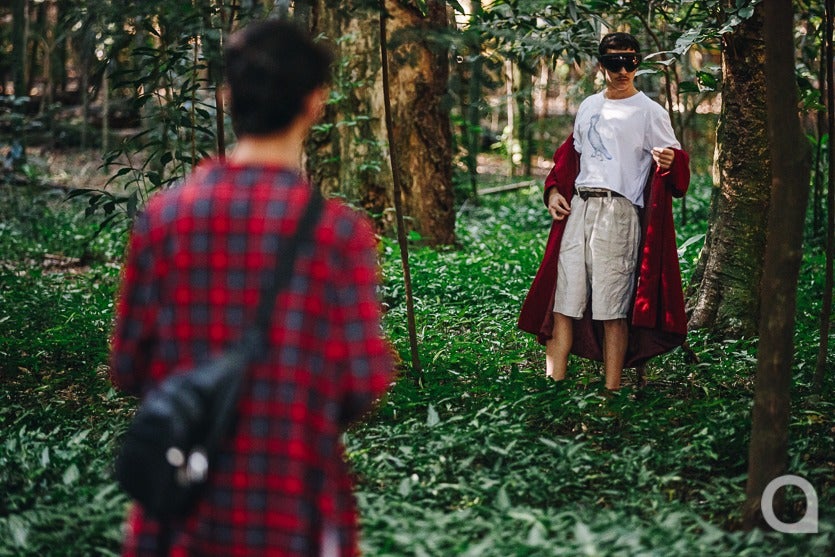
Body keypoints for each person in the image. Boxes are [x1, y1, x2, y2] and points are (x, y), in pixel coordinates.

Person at [109, 20, 394, 556]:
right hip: (289, 501)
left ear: (227, 98)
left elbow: (128, 365)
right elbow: (361, 380)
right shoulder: (337, 235)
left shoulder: (164, 218)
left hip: (179, 505)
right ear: (314, 102)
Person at [517, 32, 690, 390]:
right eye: (615, 63)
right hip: (579, 208)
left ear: (638, 64)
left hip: (619, 212)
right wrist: (552, 191)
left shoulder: (649, 112)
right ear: (601, 65)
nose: (623, 69)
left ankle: (612, 393)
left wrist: (673, 161)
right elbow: (570, 158)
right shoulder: (589, 106)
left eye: (630, 62)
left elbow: (677, 166)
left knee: (613, 307)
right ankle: (554, 388)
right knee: (563, 301)